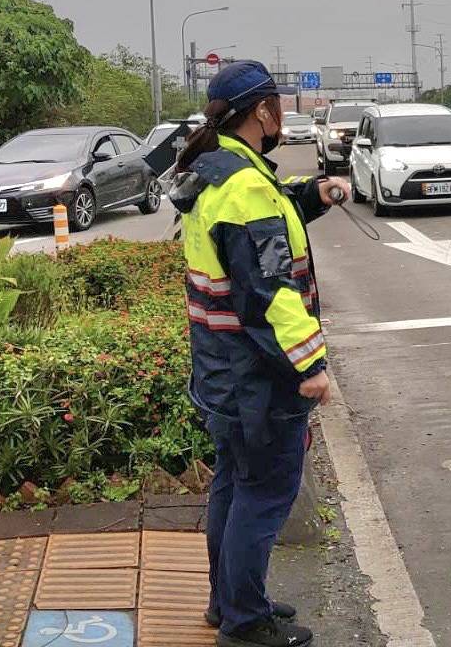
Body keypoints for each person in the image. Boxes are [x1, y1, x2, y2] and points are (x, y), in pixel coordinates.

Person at [169, 59, 349, 647]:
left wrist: (311, 196)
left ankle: (230, 603)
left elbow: (260, 223)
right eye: (277, 105)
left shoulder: (217, 170)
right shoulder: (243, 186)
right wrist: (310, 367)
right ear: (262, 112)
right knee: (264, 494)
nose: (280, 116)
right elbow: (269, 294)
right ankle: (246, 625)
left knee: (232, 486)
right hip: (255, 378)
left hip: (219, 368)